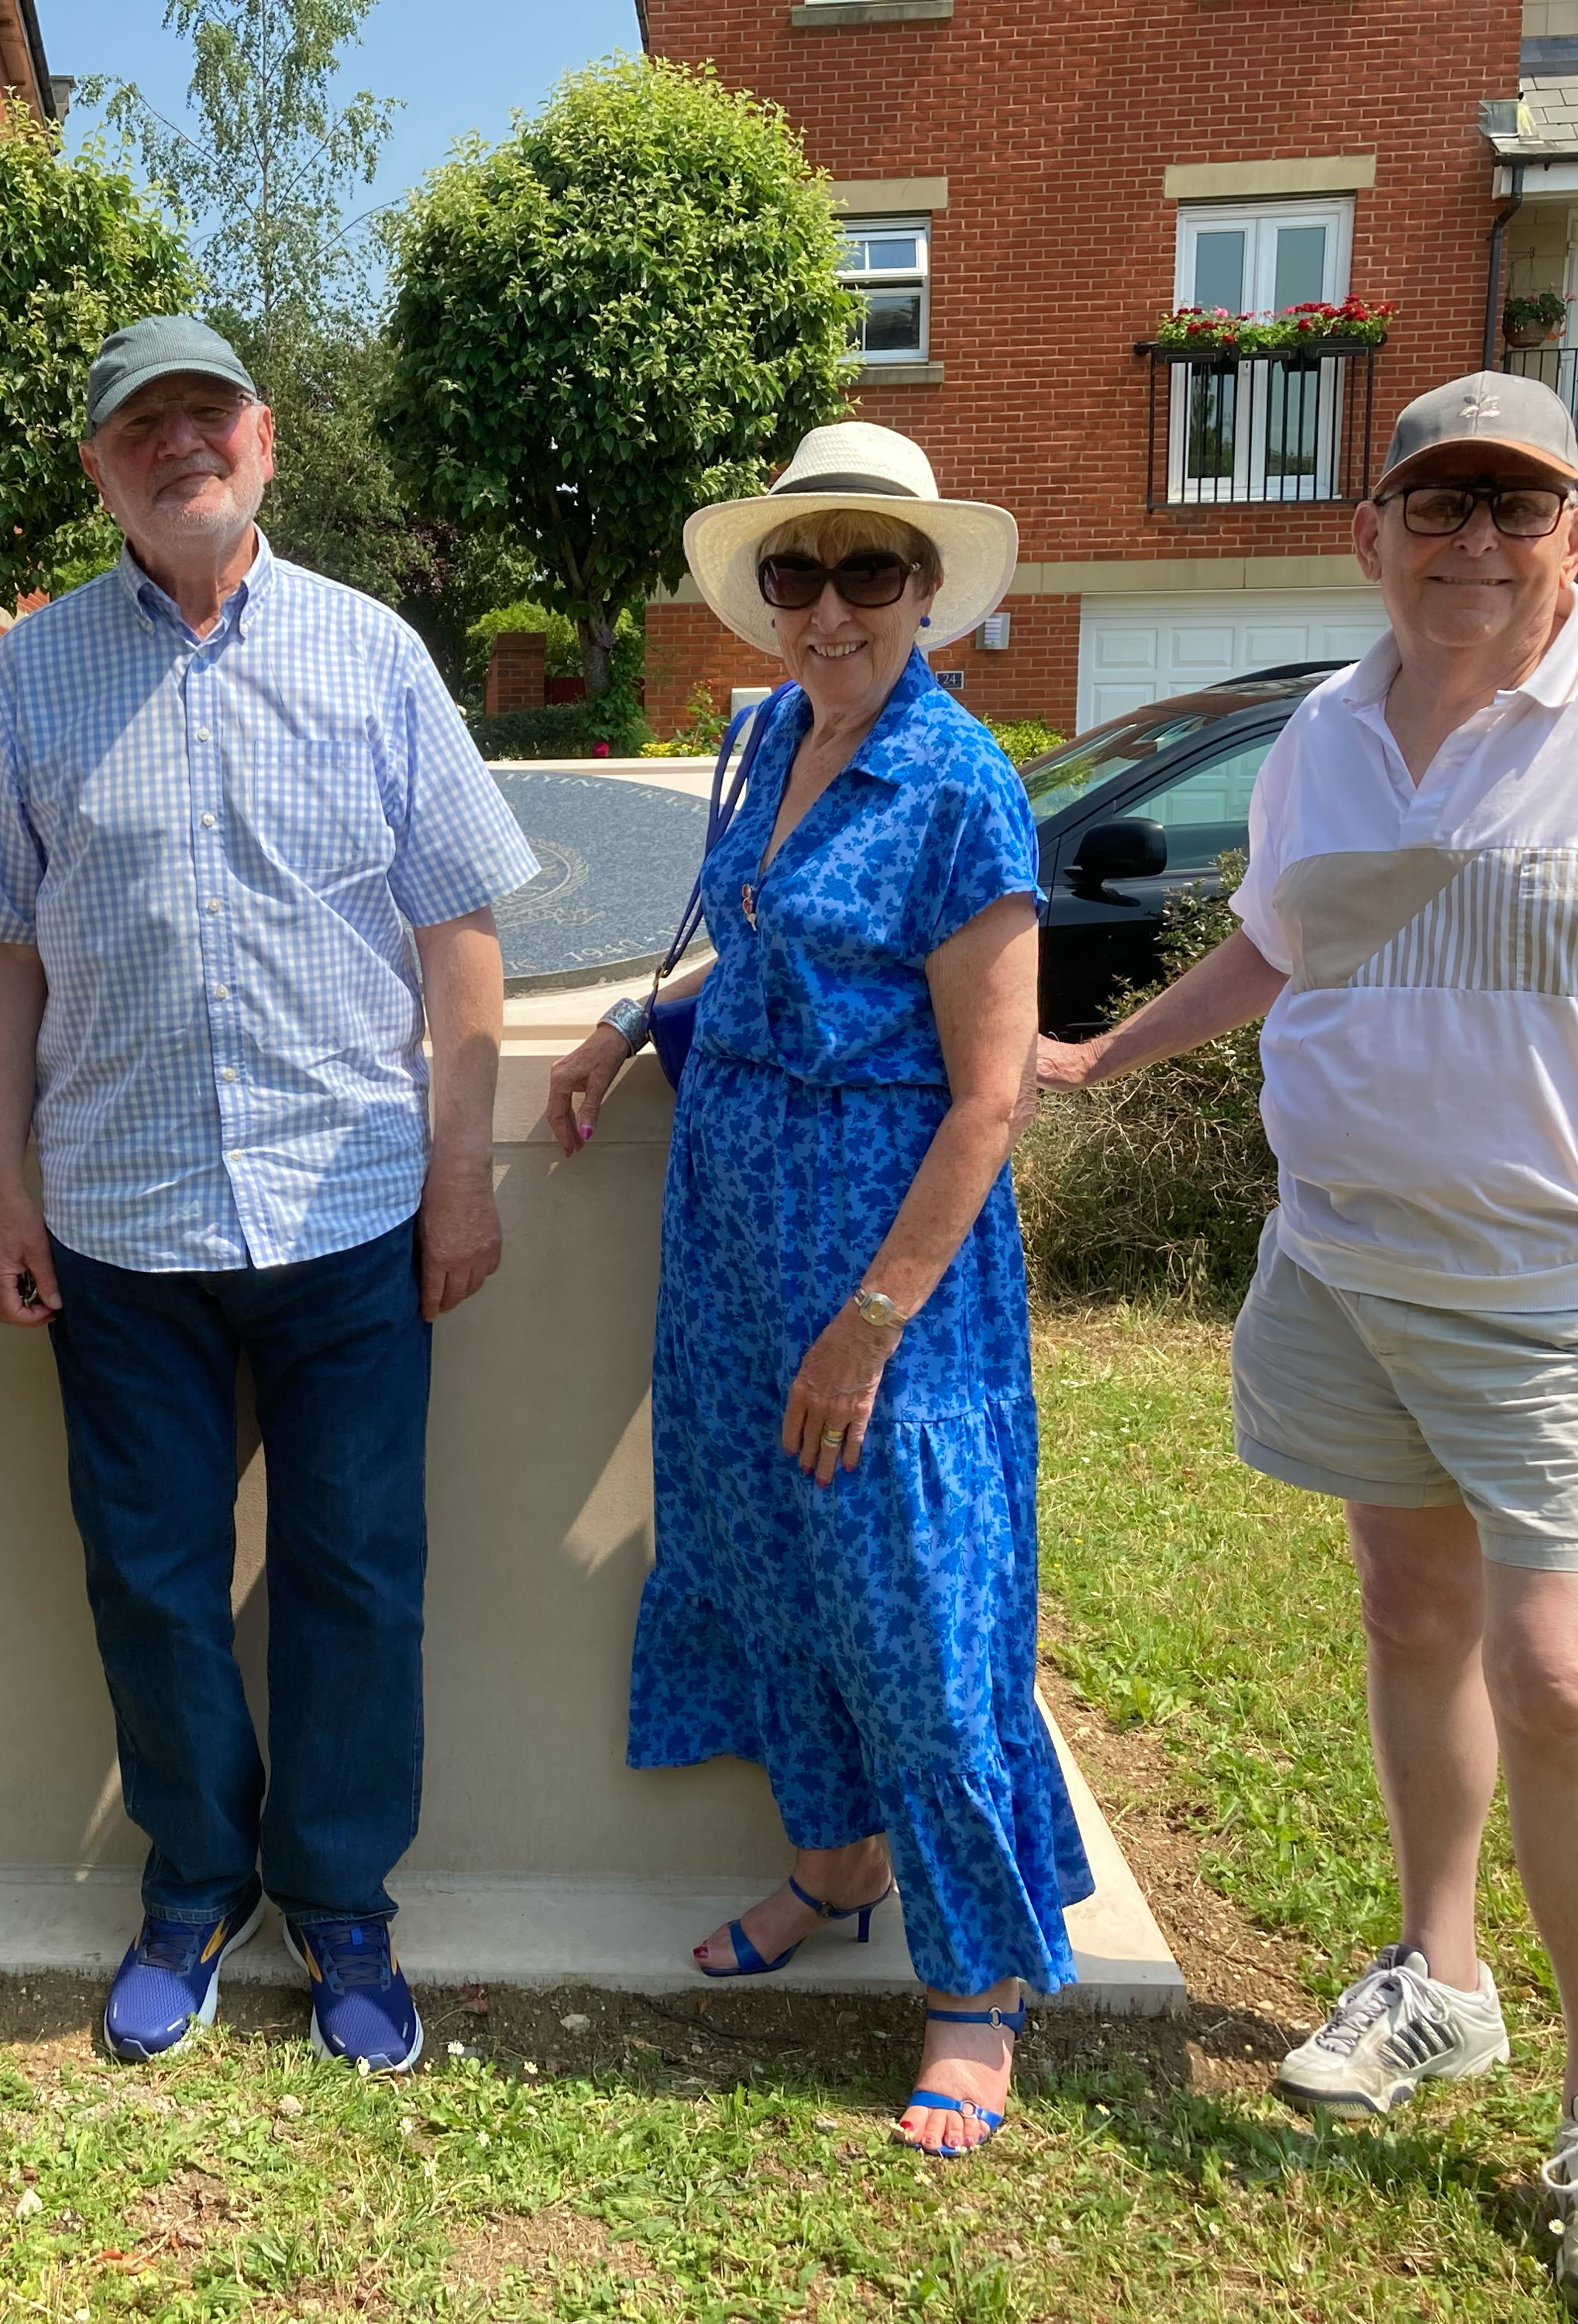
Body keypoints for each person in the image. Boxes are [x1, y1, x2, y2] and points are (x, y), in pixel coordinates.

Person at [1038, 373, 1578, 2321]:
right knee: (1407, 1614)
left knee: (1564, 1682)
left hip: (1561, 1298)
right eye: (1436, 507)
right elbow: (1284, 942)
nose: (1473, 544)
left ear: (1573, 537)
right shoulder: (1325, 734)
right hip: (1345, 1265)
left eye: (1515, 510)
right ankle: (1436, 1976)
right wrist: (1102, 1054)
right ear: (1371, 535)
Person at [0, 316, 536, 2075]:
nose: (180, 445)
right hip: (119, 1230)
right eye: (144, 427)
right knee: (150, 1579)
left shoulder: (372, 650)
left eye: (209, 416)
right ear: (99, 469)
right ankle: (194, 1885)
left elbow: (460, 937)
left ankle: (339, 1900)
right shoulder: (29, 677)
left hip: (351, 1218)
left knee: (358, 1575)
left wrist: (460, 1178)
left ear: (263, 439)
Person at [547, 422, 1089, 2157]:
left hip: (880, 1265)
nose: (829, 605)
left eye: (868, 570)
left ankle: (975, 1985)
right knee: (772, 1566)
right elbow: (765, 955)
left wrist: (870, 1324)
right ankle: (836, 1867)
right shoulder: (770, 734)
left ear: (925, 591)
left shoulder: (957, 783)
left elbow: (988, 1098)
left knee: (918, 1613)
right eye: (798, 570)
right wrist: (633, 1021)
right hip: (728, 1240)